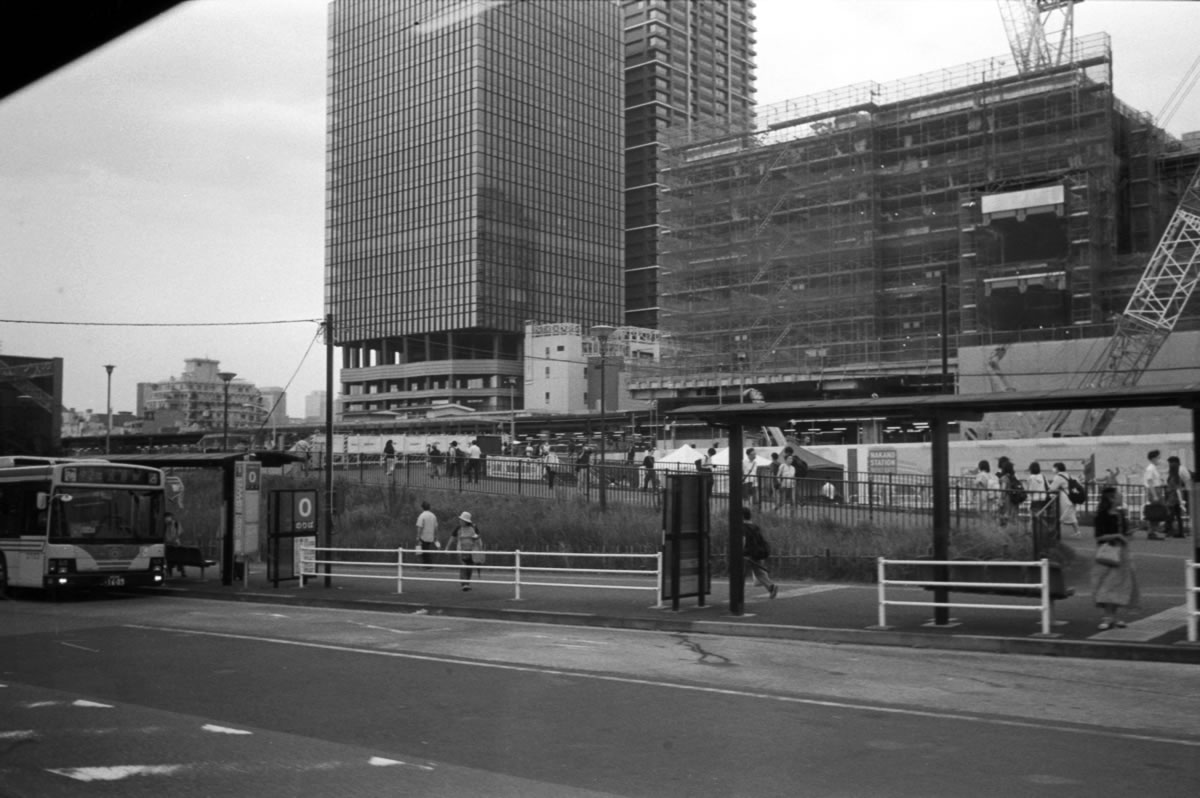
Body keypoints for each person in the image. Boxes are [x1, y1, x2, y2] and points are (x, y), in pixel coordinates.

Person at [1091, 485, 1139, 630]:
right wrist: (1118, 536)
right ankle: (1107, 617)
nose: (1121, 497)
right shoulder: (1102, 515)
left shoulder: (1121, 515)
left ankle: (1114, 617)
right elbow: (1099, 536)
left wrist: (1129, 533)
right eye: (1118, 495)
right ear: (1111, 498)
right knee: (1106, 585)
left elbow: (1126, 534)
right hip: (1107, 552)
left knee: (1119, 585)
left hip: (1122, 553)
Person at [741, 507, 778, 600]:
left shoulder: (742, 527)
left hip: (746, 555)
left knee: (741, 575)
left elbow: (743, 541)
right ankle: (771, 587)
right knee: (759, 573)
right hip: (757, 553)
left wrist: (740, 551)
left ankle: (738, 595)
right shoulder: (755, 526)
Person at [448, 510, 482, 591]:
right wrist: (447, 547)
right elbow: (452, 537)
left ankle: (467, 583)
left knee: (469, 567)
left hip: (471, 550)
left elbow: (478, 538)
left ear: (466, 521)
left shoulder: (473, 528)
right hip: (460, 550)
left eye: (462, 520)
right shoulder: (458, 528)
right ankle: (464, 584)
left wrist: (479, 548)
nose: (460, 521)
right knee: (463, 566)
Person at [1047, 462, 1080, 539]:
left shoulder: (1058, 477)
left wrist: (1048, 489)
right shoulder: (1068, 475)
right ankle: (1077, 532)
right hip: (1072, 497)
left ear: (1057, 468)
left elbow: (1052, 488)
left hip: (1065, 499)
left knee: (1061, 517)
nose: (1053, 469)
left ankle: (1053, 533)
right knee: (1071, 515)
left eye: (1054, 467)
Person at [1026, 462, 1053, 552]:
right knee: (1040, 517)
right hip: (1043, 500)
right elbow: (1048, 487)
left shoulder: (1031, 478)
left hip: (1035, 500)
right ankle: (1043, 533)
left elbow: (1030, 490)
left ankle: (1033, 535)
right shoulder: (1043, 476)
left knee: (1034, 518)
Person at [1164, 456, 1191, 538]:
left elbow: (1177, 488)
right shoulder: (1177, 475)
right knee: (1178, 515)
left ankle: (1170, 530)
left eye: (1170, 463)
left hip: (1173, 498)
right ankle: (1180, 532)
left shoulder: (1176, 475)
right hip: (1177, 497)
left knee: (1171, 514)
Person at [1143, 449, 1166, 539]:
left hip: (1157, 490)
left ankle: (1153, 531)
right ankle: (1152, 532)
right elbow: (1150, 482)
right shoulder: (1150, 468)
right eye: (1158, 458)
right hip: (1154, 491)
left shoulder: (1153, 468)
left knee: (1157, 512)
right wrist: (1155, 495)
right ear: (1153, 458)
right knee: (1155, 512)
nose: (1159, 460)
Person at [414, 501, 440, 568]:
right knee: (426, 551)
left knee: (424, 552)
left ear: (422, 508)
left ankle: (428, 566)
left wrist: (418, 537)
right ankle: (426, 565)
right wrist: (436, 537)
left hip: (423, 537)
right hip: (431, 537)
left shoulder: (422, 515)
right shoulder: (433, 516)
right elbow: (436, 527)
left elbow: (420, 527)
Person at [164, 512, 186, 576]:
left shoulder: (176, 523)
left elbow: (179, 533)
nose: (167, 518)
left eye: (169, 516)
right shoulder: (164, 525)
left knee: (179, 557)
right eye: (166, 517)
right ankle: (170, 572)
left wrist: (173, 540)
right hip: (168, 545)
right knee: (169, 558)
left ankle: (182, 571)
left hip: (176, 544)